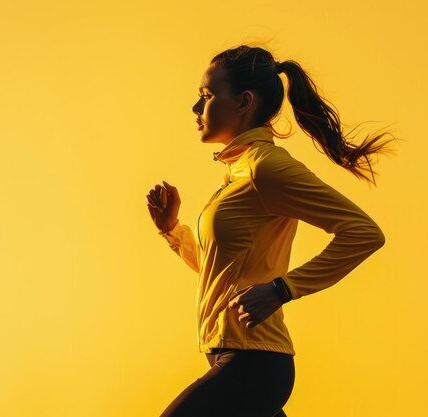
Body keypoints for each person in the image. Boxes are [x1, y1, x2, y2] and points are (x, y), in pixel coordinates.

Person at [147, 44, 398, 417]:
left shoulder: (267, 167)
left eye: (207, 96)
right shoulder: (237, 172)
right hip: (236, 360)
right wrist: (173, 232)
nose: (196, 108)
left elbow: (363, 232)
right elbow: (225, 273)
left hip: (255, 365)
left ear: (244, 101)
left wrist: (284, 289)